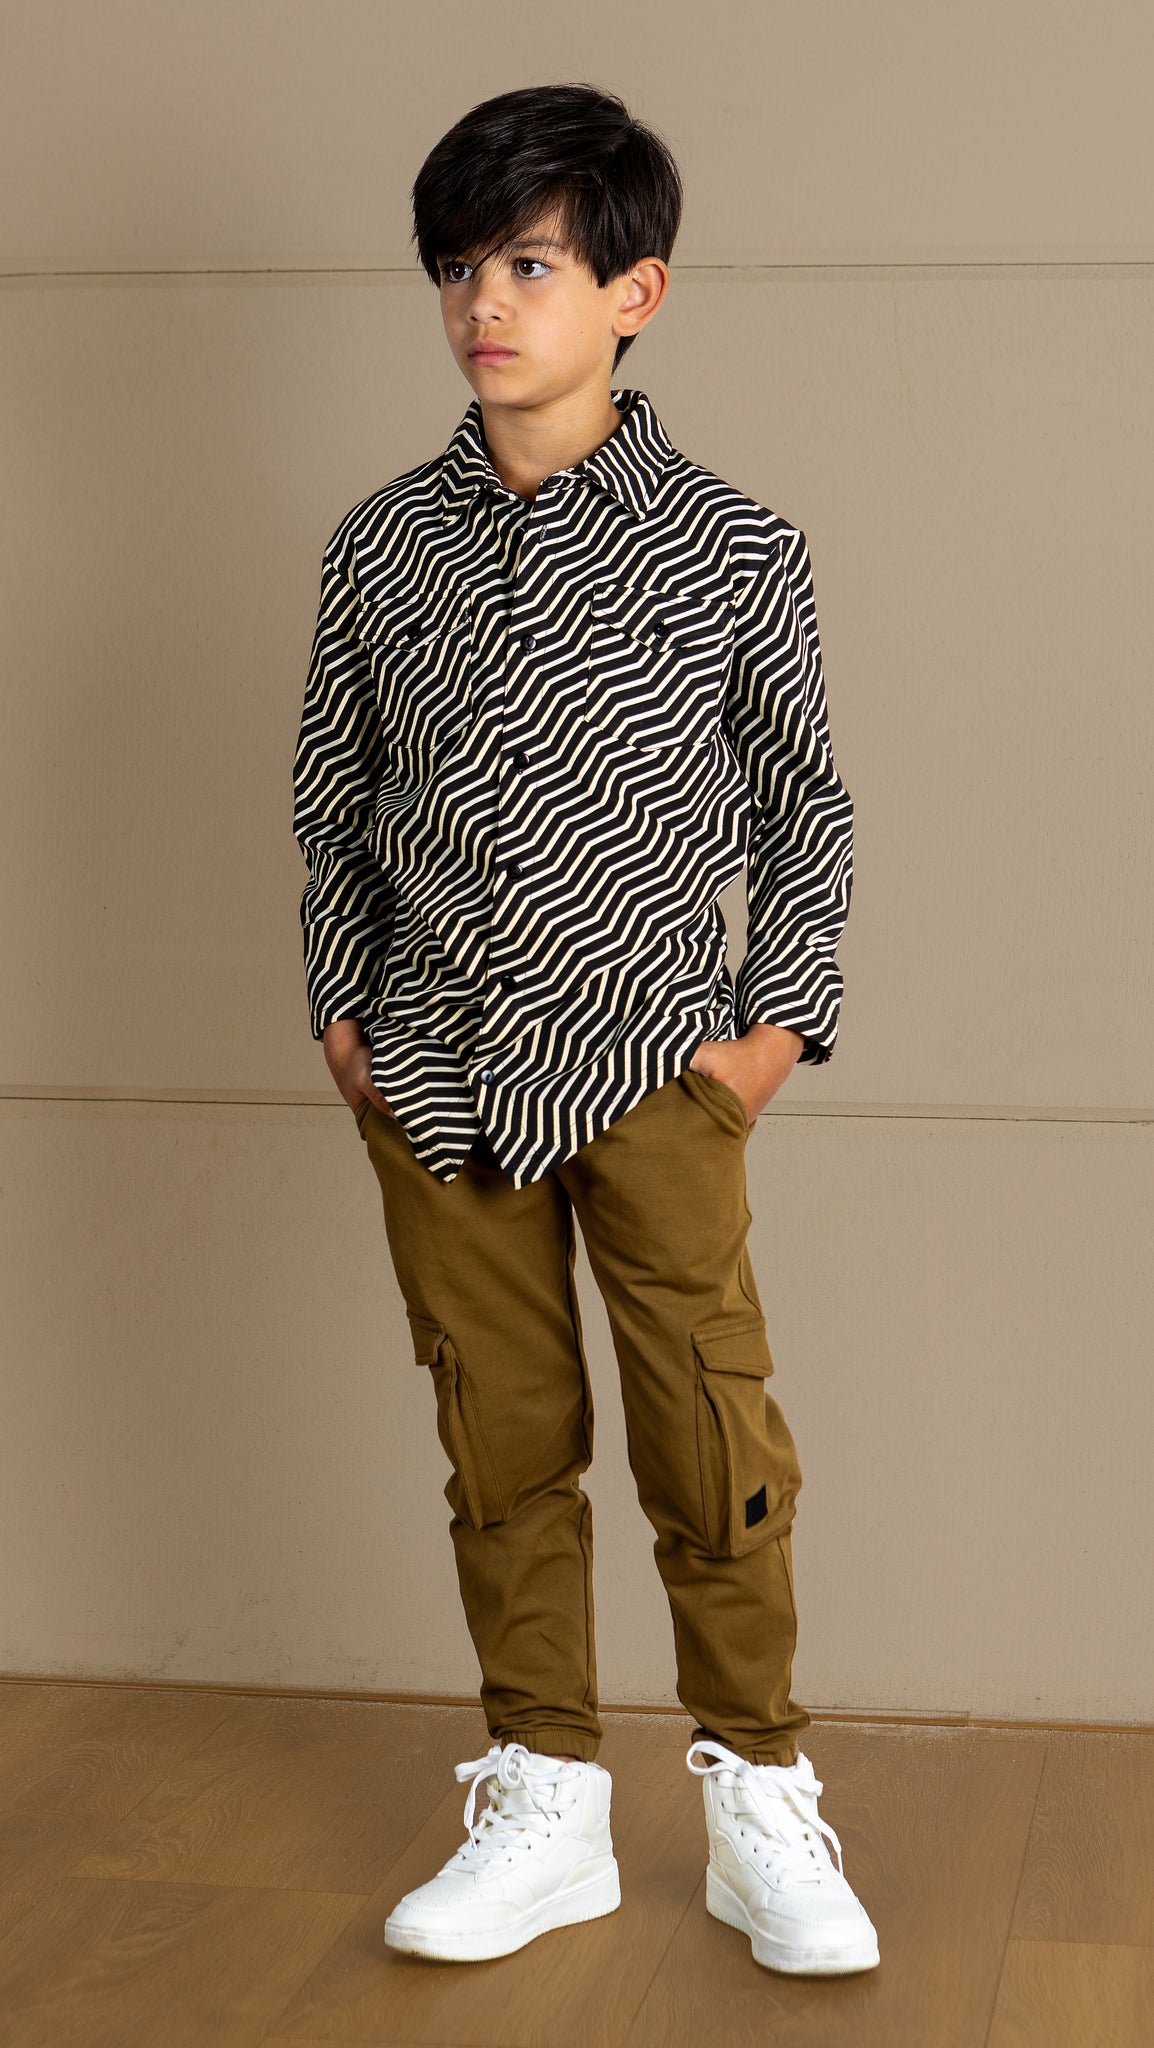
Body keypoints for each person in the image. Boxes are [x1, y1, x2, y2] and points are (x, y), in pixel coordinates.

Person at [291, 81, 879, 1978]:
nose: (485, 301)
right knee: (500, 1441)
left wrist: (772, 1032)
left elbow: (805, 807)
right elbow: (333, 800)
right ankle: (542, 1796)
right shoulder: (381, 547)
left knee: (706, 1432)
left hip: (654, 1068)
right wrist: (343, 1010)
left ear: (634, 291)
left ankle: (758, 1795)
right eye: (461, 265)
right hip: (433, 1071)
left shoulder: (732, 546)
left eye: (530, 263)